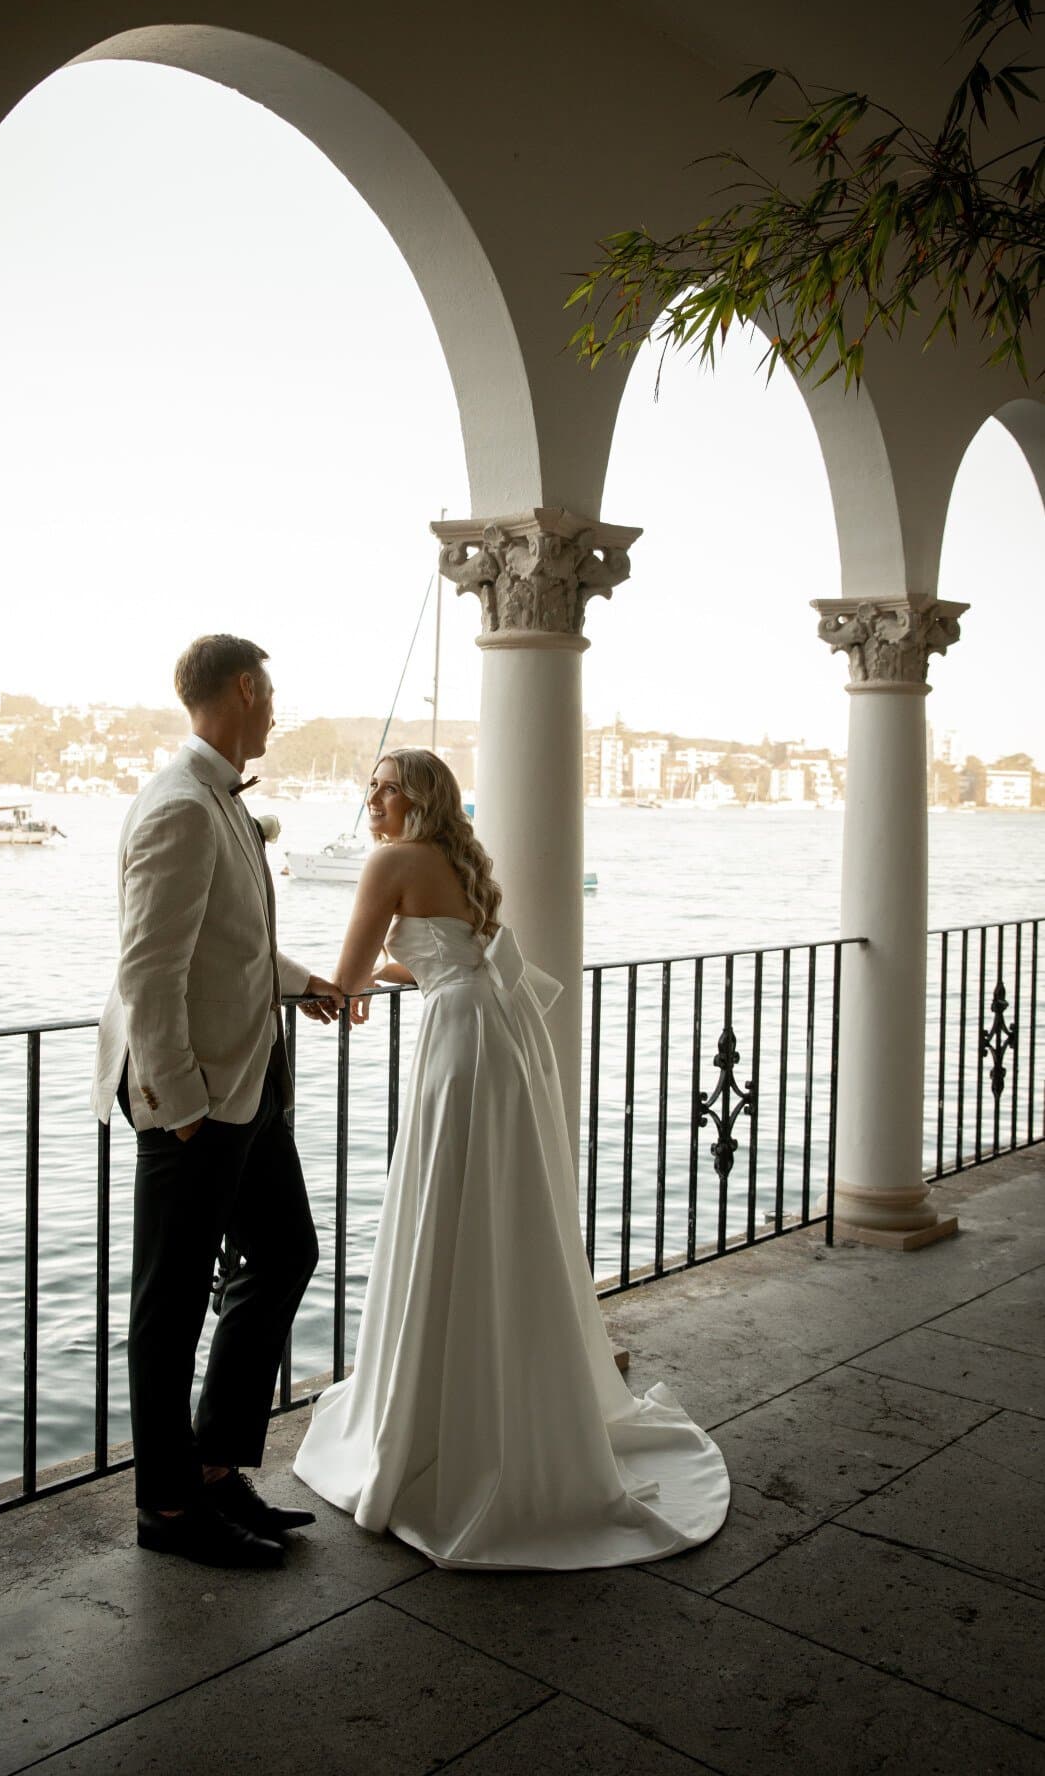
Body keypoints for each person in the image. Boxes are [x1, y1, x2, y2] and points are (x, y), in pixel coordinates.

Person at [293, 748, 730, 1570]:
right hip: (495, 1038)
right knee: (495, 1206)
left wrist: (306, 985)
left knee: (451, 1206)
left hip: (459, 1046)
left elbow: (342, 981)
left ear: (420, 798)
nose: (372, 798)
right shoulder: (452, 860)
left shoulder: (389, 860)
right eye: (371, 786)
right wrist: (403, 969)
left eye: (387, 787)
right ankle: (499, 1390)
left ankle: (437, 1412)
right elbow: (449, 949)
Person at [90, 634, 343, 1569]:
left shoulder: (219, 801)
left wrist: (301, 980)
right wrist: (180, 1102)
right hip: (194, 1095)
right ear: (242, 688)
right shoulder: (181, 808)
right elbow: (149, 969)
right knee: (169, 1305)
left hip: (246, 1083)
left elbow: (224, 945)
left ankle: (212, 1466)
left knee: (283, 1252)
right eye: (269, 691)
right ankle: (167, 1510)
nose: (275, 708)